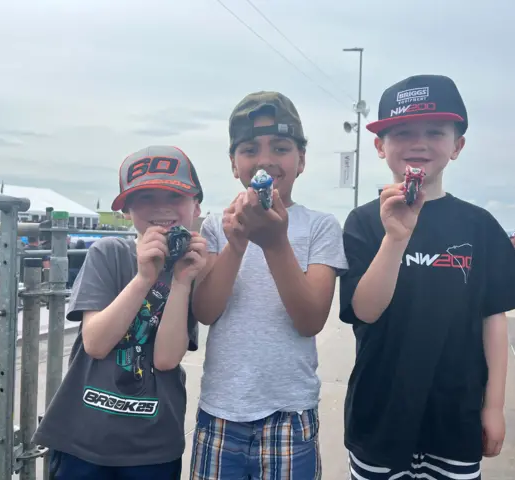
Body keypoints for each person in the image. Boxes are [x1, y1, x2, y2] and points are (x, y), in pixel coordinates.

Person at [339, 74, 515, 480]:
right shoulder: (363, 222)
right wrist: (396, 237)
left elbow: (493, 319)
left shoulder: (478, 226)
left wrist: (493, 407)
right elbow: (365, 310)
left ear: (457, 146)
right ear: (380, 146)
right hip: (380, 414)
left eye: (435, 131)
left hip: (455, 414)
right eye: (402, 131)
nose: (419, 142)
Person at [189, 91, 348, 479]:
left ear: (302, 160)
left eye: (280, 147)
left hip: (291, 414)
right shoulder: (216, 226)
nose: (264, 161)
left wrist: (275, 242)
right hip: (221, 411)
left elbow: (310, 319)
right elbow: (206, 311)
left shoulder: (321, 226)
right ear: (233, 164)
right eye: (249, 149)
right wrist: (237, 243)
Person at [32, 145, 207, 479]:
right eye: (145, 198)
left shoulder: (190, 268)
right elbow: (96, 343)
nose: (161, 207)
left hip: (154, 445)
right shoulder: (108, 252)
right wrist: (144, 277)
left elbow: (167, 359)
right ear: (126, 209)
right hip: (83, 436)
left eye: (174, 196)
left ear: (195, 204)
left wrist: (182, 282)